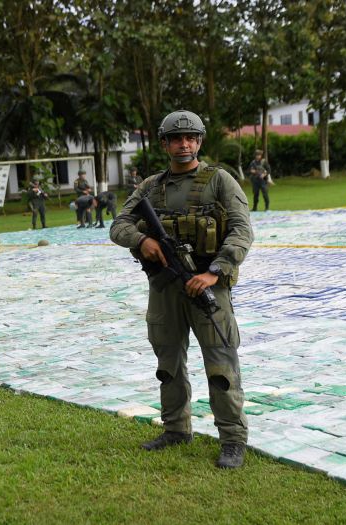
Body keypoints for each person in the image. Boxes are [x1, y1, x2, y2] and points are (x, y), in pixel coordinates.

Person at [110, 110, 254, 469]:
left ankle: (232, 439)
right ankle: (176, 428)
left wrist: (216, 271)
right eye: (176, 138)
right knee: (168, 363)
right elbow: (118, 225)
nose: (184, 144)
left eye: (190, 138)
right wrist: (142, 240)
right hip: (164, 288)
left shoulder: (220, 180)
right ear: (164, 144)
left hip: (207, 286)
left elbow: (241, 230)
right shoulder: (150, 187)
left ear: (200, 142)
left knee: (221, 366)